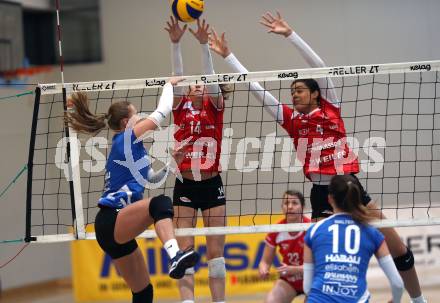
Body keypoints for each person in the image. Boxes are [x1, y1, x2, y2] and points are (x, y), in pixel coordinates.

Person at [208, 11, 426, 302]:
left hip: (351, 187)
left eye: (299, 90)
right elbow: (256, 88)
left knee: (398, 248)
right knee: (327, 261)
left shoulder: (331, 107)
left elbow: (320, 66)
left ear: (315, 94)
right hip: (321, 197)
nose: (294, 95)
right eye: (292, 92)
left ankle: (418, 300)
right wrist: (229, 56)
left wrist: (290, 35)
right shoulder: (290, 119)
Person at [66, 78, 200, 303]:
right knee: (161, 203)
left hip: (116, 228)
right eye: (136, 115)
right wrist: (169, 85)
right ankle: (175, 255)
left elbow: (150, 179)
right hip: (112, 218)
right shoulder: (125, 140)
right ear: (127, 122)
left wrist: (172, 164)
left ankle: (175, 257)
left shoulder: (134, 148)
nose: (140, 117)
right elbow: (163, 110)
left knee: (143, 293)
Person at [165, 16, 232, 303]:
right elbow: (177, 77)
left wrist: (205, 47)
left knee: (216, 256)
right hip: (185, 186)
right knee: (185, 254)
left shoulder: (214, 110)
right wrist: (175, 44)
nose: (196, 86)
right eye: (192, 85)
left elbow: (212, 78)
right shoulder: (180, 110)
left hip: (211, 185)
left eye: (201, 85)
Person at [303, 174, 404, 302]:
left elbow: (307, 287)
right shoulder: (372, 233)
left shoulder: (314, 231)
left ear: (329, 199)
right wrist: (395, 300)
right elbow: (398, 284)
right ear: (357, 198)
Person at [258, 190, 310, 303]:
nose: (290, 207)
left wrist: (295, 269)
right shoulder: (277, 229)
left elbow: (317, 265)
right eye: (286, 203)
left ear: (303, 207)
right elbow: (265, 262)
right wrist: (264, 269)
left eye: (294, 203)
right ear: (282, 207)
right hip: (289, 280)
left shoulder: (310, 228)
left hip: (311, 278)